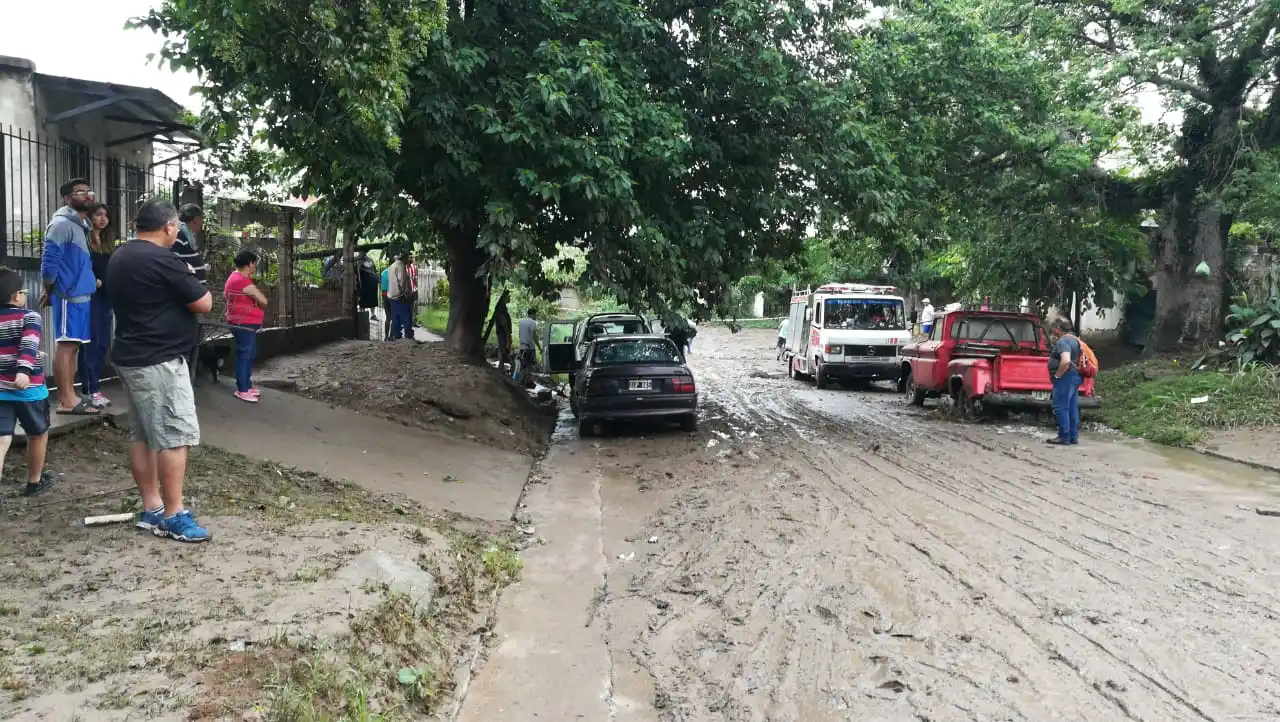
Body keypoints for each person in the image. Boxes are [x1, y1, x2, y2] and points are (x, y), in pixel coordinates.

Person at [105, 198, 214, 543]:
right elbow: (204, 302)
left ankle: (152, 507)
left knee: (143, 435)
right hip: (159, 359)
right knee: (173, 435)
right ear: (169, 227)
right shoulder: (163, 259)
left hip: (131, 353)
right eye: (177, 227)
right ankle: (173, 514)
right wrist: (192, 271)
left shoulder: (121, 255)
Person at [39, 178, 99, 416]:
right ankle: (65, 400)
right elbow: (49, 263)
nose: (86, 195)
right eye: (79, 192)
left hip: (81, 295)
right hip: (68, 295)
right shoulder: (62, 224)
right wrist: (50, 289)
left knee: (73, 346)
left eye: (87, 191)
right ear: (67, 198)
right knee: (66, 346)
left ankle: (71, 395)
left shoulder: (80, 224)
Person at [0, 267, 56, 496]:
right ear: (16, 296)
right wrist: (24, 369)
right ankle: (34, 481)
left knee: (2, 438)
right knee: (38, 433)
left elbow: (11, 347)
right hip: (29, 391)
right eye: (23, 291)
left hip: (1, 391)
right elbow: (28, 344)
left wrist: (35, 356)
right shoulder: (30, 317)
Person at [77, 203, 115, 408]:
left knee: (101, 344)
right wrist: (94, 280)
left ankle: (95, 387)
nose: (102, 218)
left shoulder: (108, 242)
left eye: (105, 215)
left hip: (106, 296)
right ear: (90, 217)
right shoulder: (84, 239)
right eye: (98, 214)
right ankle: (89, 389)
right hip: (90, 296)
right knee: (89, 344)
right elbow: (82, 265)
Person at [224, 250, 270, 403]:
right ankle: (242, 389)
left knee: (249, 352)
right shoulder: (243, 281)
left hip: (241, 321)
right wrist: (257, 303)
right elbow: (263, 300)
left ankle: (247, 385)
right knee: (245, 355)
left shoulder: (234, 277)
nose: (255, 267)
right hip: (243, 323)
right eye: (254, 263)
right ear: (250, 264)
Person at [1046, 317, 1083, 446]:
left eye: (1053, 329)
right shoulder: (1075, 340)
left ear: (1057, 329)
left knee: (1061, 407)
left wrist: (1057, 376)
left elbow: (1066, 360)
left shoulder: (1063, 341)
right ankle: (1073, 436)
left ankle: (1064, 436)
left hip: (1066, 376)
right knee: (1072, 407)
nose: (1052, 332)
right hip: (1075, 376)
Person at [385, 251, 415, 340]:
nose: (408, 260)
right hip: (400, 295)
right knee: (407, 315)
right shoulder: (400, 266)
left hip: (391, 295)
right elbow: (402, 282)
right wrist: (407, 293)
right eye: (408, 257)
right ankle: (408, 334)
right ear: (404, 258)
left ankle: (396, 335)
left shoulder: (392, 266)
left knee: (395, 316)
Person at [514, 307, 540, 384]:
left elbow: (520, 333)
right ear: (533, 314)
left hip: (522, 346)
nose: (536, 316)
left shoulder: (521, 321)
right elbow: (534, 336)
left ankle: (518, 380)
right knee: (528, 366)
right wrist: (539, 347)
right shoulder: (533, 323)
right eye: (536, 315)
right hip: (529, 348)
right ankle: (523, 382)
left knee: (521, 365)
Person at [380, 262, 392, 340]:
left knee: (388, 317)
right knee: (394, 317)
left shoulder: (383, 272)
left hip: (384, 295)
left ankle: (386, 336)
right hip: (392, 295)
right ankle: (392, 336)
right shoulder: (394, 273)